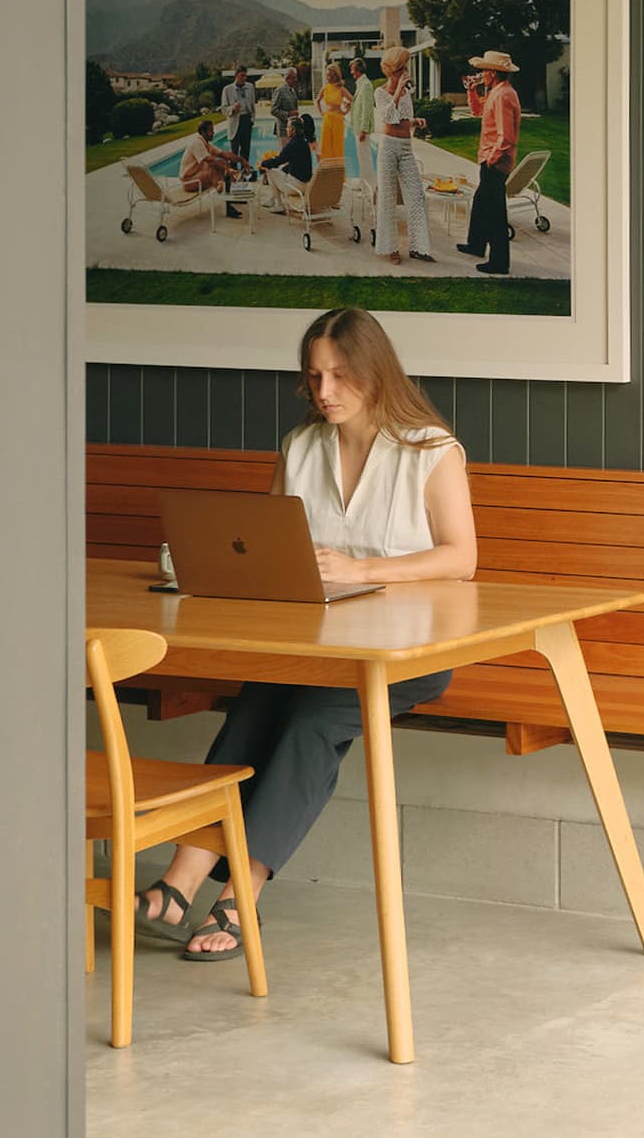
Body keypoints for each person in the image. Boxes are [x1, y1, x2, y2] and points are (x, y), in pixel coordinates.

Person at [133, 308, 477, 960]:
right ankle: (180, 880)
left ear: (376, 372)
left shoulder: (431, 451)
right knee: (258, 703)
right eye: (315, 376)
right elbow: (267, 541)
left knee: (312, 720)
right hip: (312, 643)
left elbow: (462, 558)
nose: (325, 391)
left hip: (409, 649)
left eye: (340, 375)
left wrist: (362, 570)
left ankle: (241, 895)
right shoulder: (300, 447)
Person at [454, 50, 522, 274]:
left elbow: (506, 136)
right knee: (481, 203)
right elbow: (477, 111)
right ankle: (476, 245)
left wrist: (492, 159)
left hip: (496, 161)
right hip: (490, 158)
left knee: (495, 213)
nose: (481, 74)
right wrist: (471, 90)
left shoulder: (503, 96)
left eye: (484, 70)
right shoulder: (496, 92)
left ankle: (499, 263)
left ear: (493, 72)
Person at [372, 45, 434, 265]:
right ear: (393, 70)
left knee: (417, 197)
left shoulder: (407, 93)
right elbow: (388, 117)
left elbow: (403, 119)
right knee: (387, 199)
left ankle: (419, 247)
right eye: (403, 68)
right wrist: (397, 90)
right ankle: (391, 249)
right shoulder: (380, 93)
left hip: (406, 147)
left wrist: (415, 122)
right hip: (388, 147)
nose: (406, 72)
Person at [176, 118, 248, 217]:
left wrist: (242, 160)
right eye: (211, 130)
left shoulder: (206, 144)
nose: (213, 132)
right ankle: (227, 203)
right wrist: (227, 169)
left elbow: (224, 154)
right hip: (188, 181)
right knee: (214, 167)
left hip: (197, 177)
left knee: (221, 165)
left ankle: (229, 197)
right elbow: (210, 160)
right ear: (203, 132)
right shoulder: (197, 144)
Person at [258, 113, 316, 211]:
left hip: (296, 187)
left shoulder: (292, 144)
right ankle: (272, 199)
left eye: (288, 127)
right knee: (279, 170)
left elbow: (277, 161)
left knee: (270, 170)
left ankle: (279, 204)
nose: (286, 129)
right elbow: (294, 163)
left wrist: (262, 163)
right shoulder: (304, 142)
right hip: (306, 185)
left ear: (293, 130)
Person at [220, 69, 259, 177]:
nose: (244, 78)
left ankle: (244, 172)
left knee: (246, 149)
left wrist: (252, 120)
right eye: (242, 76)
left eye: (245, 76)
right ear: (236, 75)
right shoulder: (227, 89)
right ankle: (234, 173)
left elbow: (253, 105)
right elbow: (223, 109)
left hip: (247, 120)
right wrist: (232, 108)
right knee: (234, 150)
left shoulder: (250, 87)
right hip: (234, 121)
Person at [317, 63, 350, 163]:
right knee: (325, 145)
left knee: (337, 146)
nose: (327, 77)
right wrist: (321, 112)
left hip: (338, 119)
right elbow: (318, 100)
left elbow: (352, 100)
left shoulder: (341, 89)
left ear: (335, 76)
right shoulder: (325, 88)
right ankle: (326, 170)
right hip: (327, 118)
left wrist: (346, 111)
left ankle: (338, 170)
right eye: (327, 75)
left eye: (329, 75)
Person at [270, 67, 302, 145]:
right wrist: (288, 114)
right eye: (293, 78)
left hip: (292, 130)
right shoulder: (280, 90)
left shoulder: (292, 90)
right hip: (283, 130)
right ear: (287, 78)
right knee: (285, 152)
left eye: (296, 77)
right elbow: (273, 110)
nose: (295, 80)